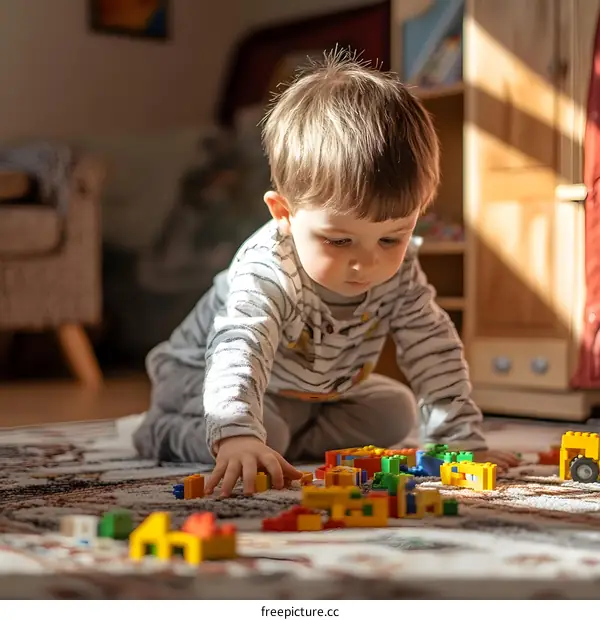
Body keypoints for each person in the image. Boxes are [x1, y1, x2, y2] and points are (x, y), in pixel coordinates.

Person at [132, 49, 519, 497]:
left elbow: (433, 347)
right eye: (339, 241)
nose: (367, 262)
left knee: (396, 411)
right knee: (257, 437)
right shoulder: (267, 268)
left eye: (390, 239)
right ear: (284, 213)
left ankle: (281, 433)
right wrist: (238, 434)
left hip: (304, 393)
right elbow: (240, 350)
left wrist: (458, 443)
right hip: (200, 374)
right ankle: (157, 431)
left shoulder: (401, 271)